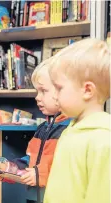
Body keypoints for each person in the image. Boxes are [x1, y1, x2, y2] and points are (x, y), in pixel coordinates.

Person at [0, 59, 71, 203]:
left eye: (43, 91)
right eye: (36, 91)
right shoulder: (42, 128)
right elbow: (30, 160)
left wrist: (41, 173)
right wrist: (9, 169)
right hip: (33, 197)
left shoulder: (72, 128)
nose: (37, 97)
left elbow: (69, 167)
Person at [43, 38, 110, 203]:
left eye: (59, 88)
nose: (54, 95)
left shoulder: (103, 140)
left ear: (87, 90)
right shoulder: (71, 129)